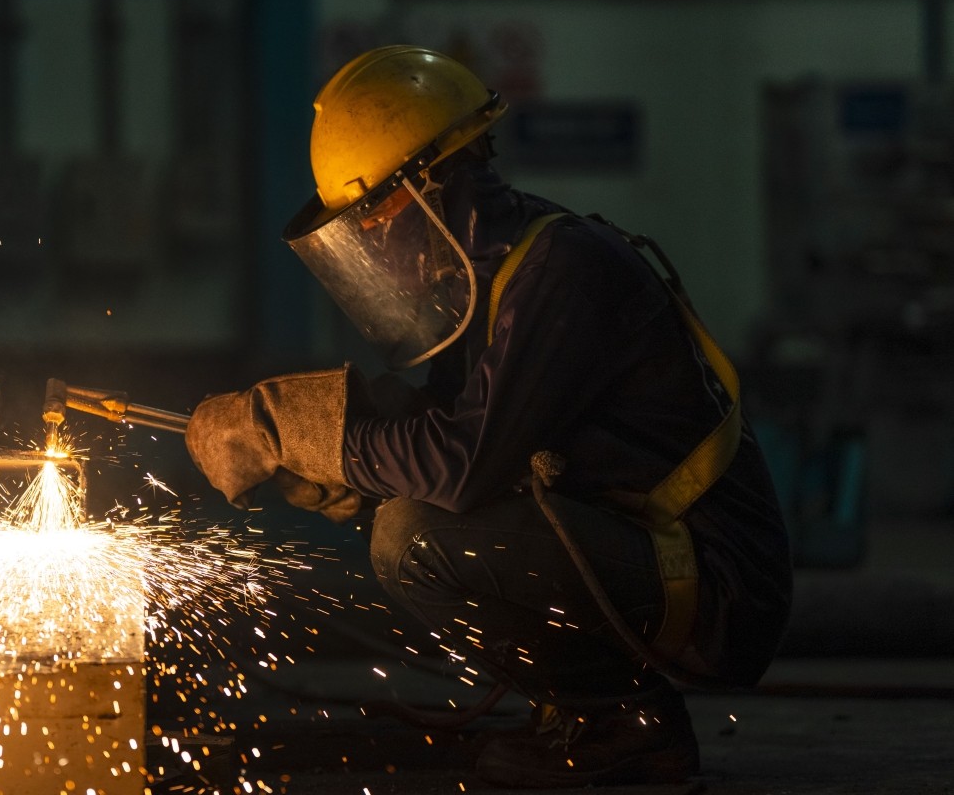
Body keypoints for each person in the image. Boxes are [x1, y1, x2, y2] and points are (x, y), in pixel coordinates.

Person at [185, 45, 792, 789]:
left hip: (717, 583)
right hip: (655, 550)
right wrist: (342, 464)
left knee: (413, 538)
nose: (366, 235)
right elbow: (448, 434)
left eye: (372, 208)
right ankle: (583, 712)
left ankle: (625, 725)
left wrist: (308, 433)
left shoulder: (560, 273)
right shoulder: (492, 283)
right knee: (403, 512)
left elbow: (461, 465)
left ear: (434, 180)